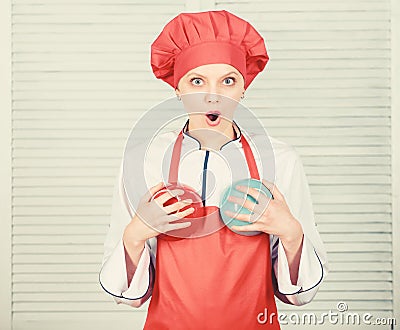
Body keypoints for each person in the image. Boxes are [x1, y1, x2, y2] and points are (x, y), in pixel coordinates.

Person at [99, 10, 328, 329]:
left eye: (228, 81)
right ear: (177, 88)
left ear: (243, 87)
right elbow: (127, 296)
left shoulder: (280, 159)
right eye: (197, 81)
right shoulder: (145, 160)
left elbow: (301, 295)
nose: (213, 95)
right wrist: (137, 233)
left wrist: (290, 232)